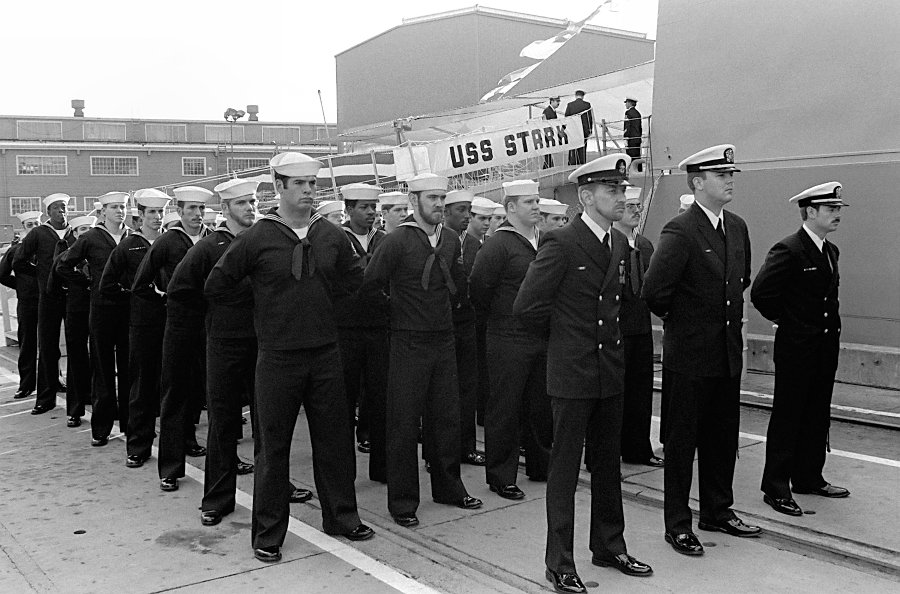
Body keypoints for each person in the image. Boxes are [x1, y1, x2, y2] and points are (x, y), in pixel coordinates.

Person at [206, 152, 373, 563]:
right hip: (278, 358)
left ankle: (342, 517)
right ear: (279, 187)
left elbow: (356, 280)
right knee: (273, 447)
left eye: (312, 185)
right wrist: (263, 308)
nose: (308, 192)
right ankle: (268, 532)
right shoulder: (258, 237)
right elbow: (216, 284)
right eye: (299, 185)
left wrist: (325, 309)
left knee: (335, 441)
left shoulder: (329, 235)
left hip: (324, 355)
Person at [514, 155, 653, 593]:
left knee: (608, 465)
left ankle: (609, 545)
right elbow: (526, 308)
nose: (621, 197)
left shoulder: (616, 243)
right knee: (565, 470)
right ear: (586, 196)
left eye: (622, 189)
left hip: (608, 370)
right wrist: (565, 344)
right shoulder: (562, 242)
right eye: (611, 190)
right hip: (572, 374)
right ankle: (560, 561)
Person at [642, 144, 760, 558]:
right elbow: (654, 292)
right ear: (697, 182)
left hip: (726, 355)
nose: (729, 181)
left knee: (722, 439)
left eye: (731, 174)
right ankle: (677, 523)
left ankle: (717, 511)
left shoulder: (738, 226)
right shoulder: (680, 229)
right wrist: (689, 324)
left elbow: (739, 280)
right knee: (681, 443)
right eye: (721, 175)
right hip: (689, 358)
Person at [362, 172, 482, 528]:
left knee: (446, 417)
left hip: (443, 339)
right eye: (432, 199)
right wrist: (398, 316)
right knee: (402, 422)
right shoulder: (396, 241)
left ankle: (448, 487)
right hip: (407, 341)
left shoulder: (448, 239)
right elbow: (370, 287)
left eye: (442, 199)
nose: (439, 205)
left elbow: (457, 285)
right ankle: (402, 501)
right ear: (414, 201)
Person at [162, 178, 258, 526]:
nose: (250, 208)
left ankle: (275, 487)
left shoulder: (262, 239)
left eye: (252, 201)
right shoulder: (209, 246)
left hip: (262, 343)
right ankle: (218, 498)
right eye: (243, 203)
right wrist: (213, 313)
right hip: (223, 345)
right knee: (223, 422)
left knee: (268, 423)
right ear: (228, 208)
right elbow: (179, 289)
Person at [752, 181, 850, 516]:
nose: (837, 214)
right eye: (830, 209)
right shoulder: (789, 249)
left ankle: (809, 476)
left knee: (817, 412)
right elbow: (761, 294)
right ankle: (775, 485)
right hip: (797, 348)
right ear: (810, 211)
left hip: (823, 348)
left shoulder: (829, 251)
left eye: (838, 209)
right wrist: (788, 321)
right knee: (789, 415)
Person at [470, 180, 551, 501]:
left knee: (540, 403)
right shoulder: (498, 245)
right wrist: (503, 318)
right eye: (528, 202)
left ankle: (540, 464)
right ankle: (501, 475)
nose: (536, 207)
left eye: (536, 201)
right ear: (511, 208)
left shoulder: (544, 241)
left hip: (541, 336)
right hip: (507, 336)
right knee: (504, 406)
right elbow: (479, 288)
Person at [136, 186, 214, 491]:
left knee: (211, 393)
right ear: (179, 212)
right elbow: (142, 282)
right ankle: (170, 467)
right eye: (191, 209)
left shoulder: (214, 239)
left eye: (201, 209)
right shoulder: (168, 241)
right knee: (174, 394)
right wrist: (166, 300)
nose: (197, 215)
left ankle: (205, 448)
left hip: (210, 325)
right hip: (179, 326)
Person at [100, 189, 168, 466]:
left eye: (160, 212)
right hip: (142, 324)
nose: (157, 217)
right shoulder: (128, 247)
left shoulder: (172, 242)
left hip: (173, 322)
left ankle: (184, 438)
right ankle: (138, 445)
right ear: (140, 216)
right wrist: (135, 297)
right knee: (142, 385)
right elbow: (107, 285)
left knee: (176, 384)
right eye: (151, 212)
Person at [58, 191, 131, 440]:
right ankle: (101, 429)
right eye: (114, 207)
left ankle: (129, 426)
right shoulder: (91, 238)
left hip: (129, 310)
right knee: (102, 369)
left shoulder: (133, 237)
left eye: (122, 207)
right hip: (101, 311)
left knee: (129, 369)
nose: (119, 211)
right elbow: (63, 265)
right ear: (102, 212)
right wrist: (87, 282)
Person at [334, 182, 389, 482]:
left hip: (379, 329)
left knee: (381, 401)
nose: (371, 213)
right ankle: (343, 473)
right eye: (364, 207)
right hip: (346, 332)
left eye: (373, 208)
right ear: (348, 209)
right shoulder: (334, 239)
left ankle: (382, 468)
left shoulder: (383, 239)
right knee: (343, 403)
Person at [613, 190, 663, 468]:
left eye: (638, 206)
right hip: (616, 329)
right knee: (614, 395)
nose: (636, 210)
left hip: (641, 328)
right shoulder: (610, 243)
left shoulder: (644, 245)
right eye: (630, 206)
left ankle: (638, 448)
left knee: (641, 393)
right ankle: (610, 451)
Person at [14, 193, 74, 415]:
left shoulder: (75, 232)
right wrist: (42, 275)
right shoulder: (39, 234)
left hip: (72, 297)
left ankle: (80, 393)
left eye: (65, 208)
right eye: (57, 208)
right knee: (47, 346)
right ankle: (45, 396)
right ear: (48, 212)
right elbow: (19, 260)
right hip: (48, 297)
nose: (62, 212)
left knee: (76, 345)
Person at [442, 189, 485, 467]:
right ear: (445, 212)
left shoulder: (473, 243)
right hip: (442, 324)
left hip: (467, 322)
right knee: (442, 391)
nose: (466, 215)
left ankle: (467, 446)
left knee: (468, 387)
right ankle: (440, 452)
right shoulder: (435, 240)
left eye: (469, 209)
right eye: (460, 210)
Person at [48, 215, 96, 428]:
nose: (86, 233)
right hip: (75, 311)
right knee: (76, 359)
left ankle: (99, 401)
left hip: (98, 310)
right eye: (82, 229)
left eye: (90, 229)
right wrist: (81, 282)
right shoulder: (66, 256)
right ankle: (75, 410)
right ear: (75, 234)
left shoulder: (100, 253)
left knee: (99, 358)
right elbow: (53, 285)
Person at [1, 211, 42, 400]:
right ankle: (26, 384)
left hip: (49, 300)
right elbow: (1, 274)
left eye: (36, 223)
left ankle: (54, 380)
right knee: (27, 343)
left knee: (50, 344)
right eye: (30, 224)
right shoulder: (15, 250)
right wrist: (20, 286)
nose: (34, 227)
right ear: (23, 228)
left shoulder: (48, 246)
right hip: (26, 302)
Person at [565, 90, 593, 166]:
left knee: (573, 149)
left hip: (573, 131)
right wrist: (590, 130)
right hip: (584, 131)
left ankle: (572, 164)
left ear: (575, 96)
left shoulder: (570, 105)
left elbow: (566, 118)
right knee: (582, 149)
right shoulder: (587, 105)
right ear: (583, 96)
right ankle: (581, 164)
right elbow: (589, 118)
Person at [543, 97, 560, 169]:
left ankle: (548, 165)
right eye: (557, 101)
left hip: (550, 134)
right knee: (548, 151)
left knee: (549, 152)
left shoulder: (552, 111)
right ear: (552, 101)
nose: (558, 103)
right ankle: (547, 166)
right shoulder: (547, 111)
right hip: (548, 134)